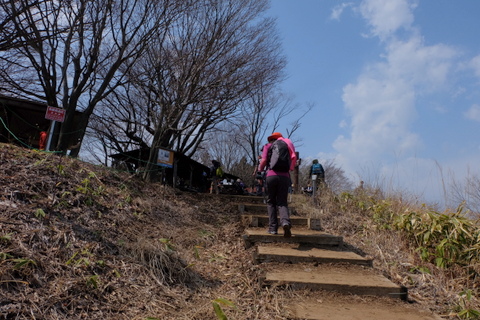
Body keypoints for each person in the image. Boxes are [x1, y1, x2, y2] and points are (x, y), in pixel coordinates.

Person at [258, 132, 297, 237]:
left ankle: (273, 228)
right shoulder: (288, 144)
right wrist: (290, 169)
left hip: (271, 176)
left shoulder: (268, 146)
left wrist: (259, 169)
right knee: (282, 202)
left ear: (272, 139)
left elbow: (264, 160)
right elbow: (293, 160)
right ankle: (285, 222)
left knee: (271, 202)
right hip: (285, 177)